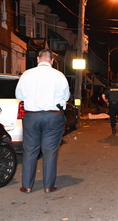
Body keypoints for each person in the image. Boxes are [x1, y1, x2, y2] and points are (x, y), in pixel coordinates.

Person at [15, 49, 70, 193]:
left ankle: (26, 186)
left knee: (30, 150)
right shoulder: (59, 76)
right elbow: (66, 96)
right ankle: (48, 186)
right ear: (52, 61)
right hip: (53, 116)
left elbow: (18, 94)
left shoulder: (27, 74)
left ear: (38, 59)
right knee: (50, 151)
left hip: (32, 116)